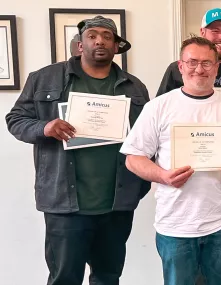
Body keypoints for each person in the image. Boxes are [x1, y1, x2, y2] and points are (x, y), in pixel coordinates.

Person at [5, 15, 150, 285]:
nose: (100, 41)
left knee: (108, 277)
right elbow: (15, 120)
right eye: (92, 35)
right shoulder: (44, 78)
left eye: (107, 37)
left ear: (116, 46)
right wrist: (45, 128)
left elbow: (149, 139)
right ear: (80, 45)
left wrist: (140, 187)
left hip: (116, 204)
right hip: (64, 203)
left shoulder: (135, 87)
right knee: (64, 279)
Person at [119, 35, 221, 285]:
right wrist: (162, 175)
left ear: (216, 67)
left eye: (207, 63)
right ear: (181, 66)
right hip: (176, 225)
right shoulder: (159, 107)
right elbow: (133, 158)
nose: (200, 69)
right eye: (193, 62)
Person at [156, 8, 221, 285]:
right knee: (191, 251)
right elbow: (160, 120)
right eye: (215, 30)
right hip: (189, 177)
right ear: (202, 33)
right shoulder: (178, 69)